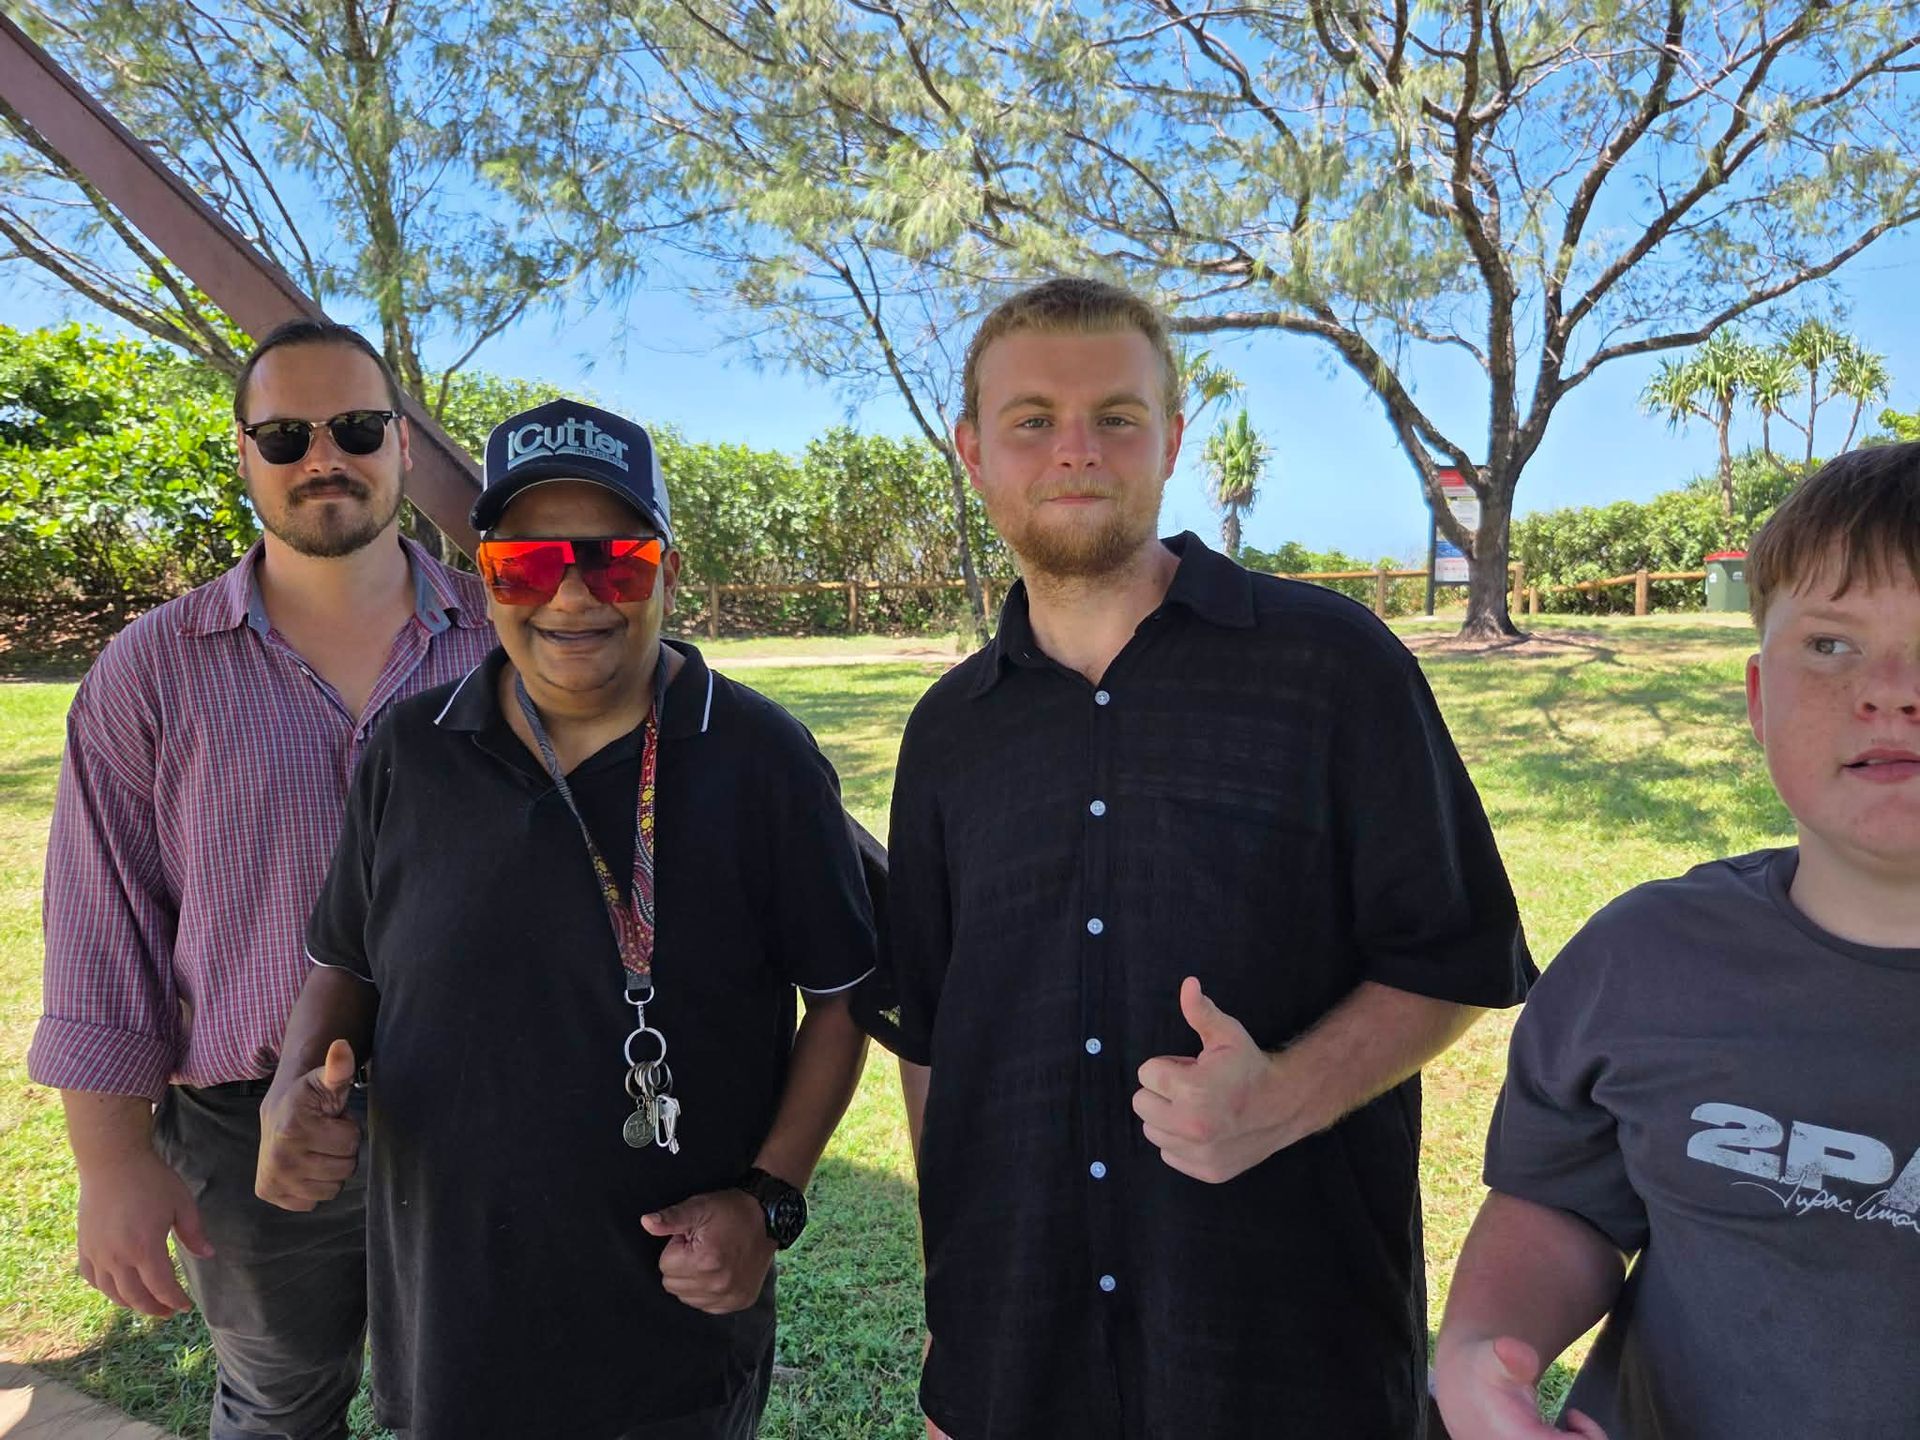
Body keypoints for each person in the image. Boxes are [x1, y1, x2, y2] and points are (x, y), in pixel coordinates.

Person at [883, 277, 1534, 1439]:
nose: (1075, 450)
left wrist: (1282, 1097)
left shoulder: (1332, 665)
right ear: (973, 451)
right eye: (1032, 420)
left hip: (1284, 1351)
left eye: (1116, 418)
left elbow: (1454, 955)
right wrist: (955, 1308)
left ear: (1172, 441)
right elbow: (934, 1042)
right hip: (1017, 1364)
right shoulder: (948, 732)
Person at [254, 398, 875, 1440]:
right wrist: (289, 1089)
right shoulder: (411, 750)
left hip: (671, 1342)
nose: (574, 597)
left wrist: (771, 1201)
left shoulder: (762, 758)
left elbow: (849, 998)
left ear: (670, 573)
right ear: (486, 580)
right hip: (449, 1328)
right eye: (527, 566)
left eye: (617, 561)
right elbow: (346, 960)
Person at [27, 320, 493, 1439]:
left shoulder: (508, 638)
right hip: (247, 1135)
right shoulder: (152, 669)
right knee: (280, 1409)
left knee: (494, 1398)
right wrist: (111, 1160)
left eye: (357, 428)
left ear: (403, 450)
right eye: (285, 436)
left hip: (490, 1107)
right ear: (244, 457)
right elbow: (104, 925)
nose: (321, 458)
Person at [1434, 444, 1920, 1439]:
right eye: (1830, 645)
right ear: (1756, 700)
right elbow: (1563, 1207)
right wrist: (1485, 1346)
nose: (1890, 691)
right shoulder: (1643, 963)